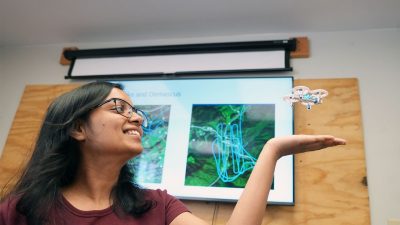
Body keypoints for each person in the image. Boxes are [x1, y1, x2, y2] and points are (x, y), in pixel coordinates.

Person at [0, 81, 346, 225]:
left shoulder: (157, 206)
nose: (136, 117)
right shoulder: (20, 210)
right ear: (77, 128)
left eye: (137, 111)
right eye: (119, 107)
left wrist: (272, 151)